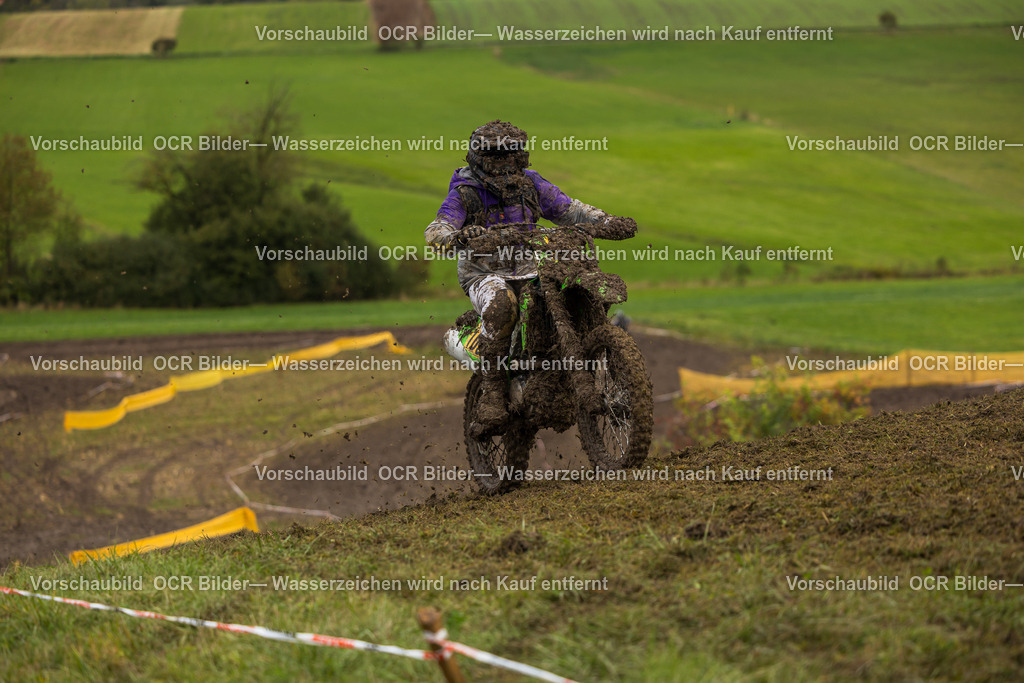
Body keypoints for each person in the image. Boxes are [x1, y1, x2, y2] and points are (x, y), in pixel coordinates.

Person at [424, 120, 635, 435]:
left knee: (576, 287)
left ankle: (588, 355)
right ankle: (493, 392)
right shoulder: (465, 192)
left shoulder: (531, 184)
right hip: (484, 273)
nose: (504, 163)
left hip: (532, 266)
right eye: (496, 156)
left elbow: (570, 209)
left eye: (511, 154)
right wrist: (457, 236)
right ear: (480, 157)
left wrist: (606, 221)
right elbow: (437, 229)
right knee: (502, 305)